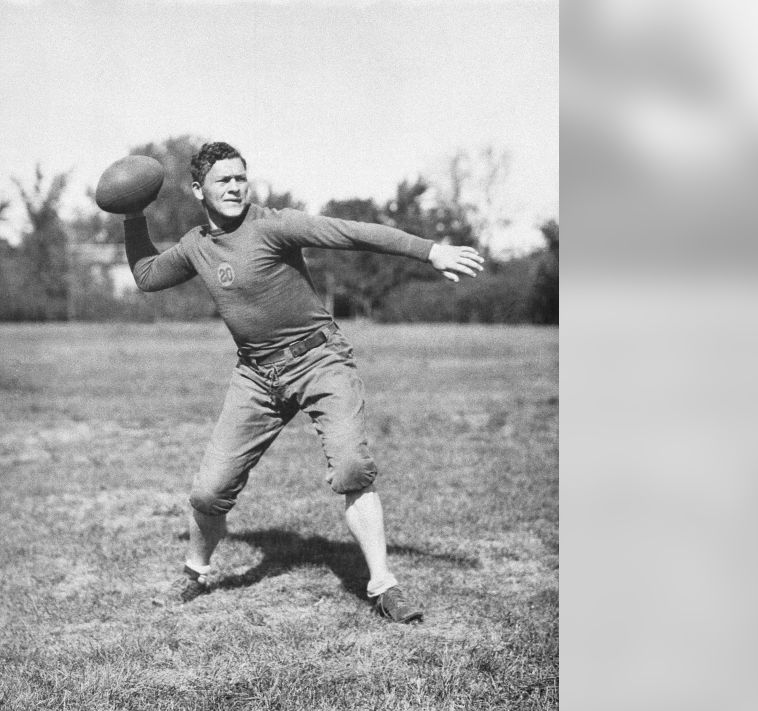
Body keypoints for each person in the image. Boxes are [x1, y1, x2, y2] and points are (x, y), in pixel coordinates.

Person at [121, 141, 485, 622]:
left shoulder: (274, 224)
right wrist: (132, 216)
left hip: (319, 360)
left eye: (240, 178)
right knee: (209, 493)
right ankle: (195, 573)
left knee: (353, 466)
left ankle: (383, 585)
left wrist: (430, 250)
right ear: (197, 190)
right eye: (222, 181)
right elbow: (146, 276)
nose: (234, 187)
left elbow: (351, 233)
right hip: (255, 374)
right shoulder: (196, 246)